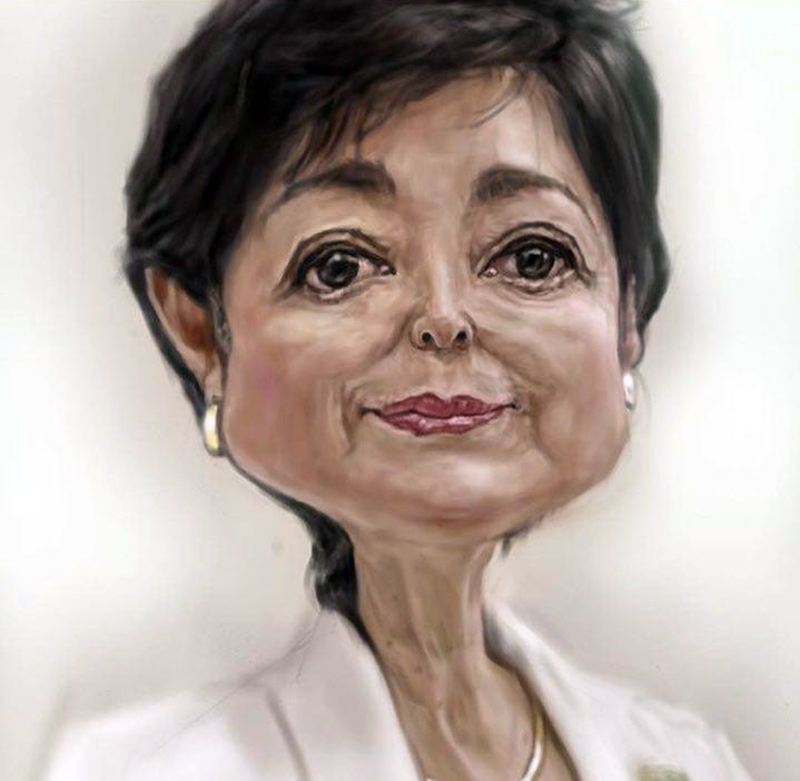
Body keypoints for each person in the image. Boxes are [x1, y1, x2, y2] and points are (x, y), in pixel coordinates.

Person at [44, 0, 754, 779]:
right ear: (201, 333)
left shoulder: (688, 756)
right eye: (340, 266)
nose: (443, 318)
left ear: (627, 314)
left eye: (532, 257)